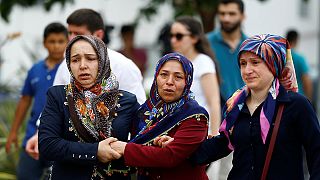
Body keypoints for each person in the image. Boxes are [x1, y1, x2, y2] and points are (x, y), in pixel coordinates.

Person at [190, 34, 320, 179]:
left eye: (255, 62)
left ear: (273, 64)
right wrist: (178, 149)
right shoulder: (236, 104)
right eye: (243, 63)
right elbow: (223, 143)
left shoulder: (296, 105)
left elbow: (316, 151)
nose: (247, 70)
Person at [25, 8, 146, 160]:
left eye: (91, 59)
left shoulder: (125, 68)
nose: (82, 66)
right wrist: (39, 134)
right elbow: (49, 127)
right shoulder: (61, 78)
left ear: (99, 35)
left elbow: (140, 118)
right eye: (69, 33)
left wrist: (127, 146)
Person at [38, 35, 140, 179]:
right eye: (75, 60)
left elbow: (144, 140)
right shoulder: (58, 96)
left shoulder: (127, 101)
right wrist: (95, 151)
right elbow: (47, 145)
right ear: (69, 64)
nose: (82, 66)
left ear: (103, 60)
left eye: (91, 58)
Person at [110, 53, 209, 180]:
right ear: (156, 77)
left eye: (178, 77)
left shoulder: (195, 116)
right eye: (164, 75)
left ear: (187, 82)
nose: (169, 82)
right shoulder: (144, 111)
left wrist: (125, 148)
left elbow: (170, 156)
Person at [5, 22, 68, 179]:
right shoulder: (35, 70)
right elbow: (25, 100)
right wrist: (13, 132)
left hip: (59, 137)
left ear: (67, 42)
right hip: (32, 135)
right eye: (52, 41)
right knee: (25, 175)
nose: (56, 46)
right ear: (44, 43)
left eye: (61, 41)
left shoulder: (70, 70)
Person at [53, 8, 146, 104]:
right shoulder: (65, 65)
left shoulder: (123, 66)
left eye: (78, 34)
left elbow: (137, 108)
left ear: (98, 35)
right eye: (70, 33)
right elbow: (54, 106)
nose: (71, 38)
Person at [170, 16, 221, 136]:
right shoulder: (173, 61)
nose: (173, 40)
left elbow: (214, 101)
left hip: (199, 131)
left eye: (179, 36)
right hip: (178, 132)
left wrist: (214, 134)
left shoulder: (203, 61)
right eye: (171, 36)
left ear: (194, 38)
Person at [207, 0, 247, 105]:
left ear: (242, 16)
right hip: (214, 109)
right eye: (222, 14)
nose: (226, 18)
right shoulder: (205, 44)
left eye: (232, 14)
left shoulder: (251, 45)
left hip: (246, 111)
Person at [286, 29, 313, 101]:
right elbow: (307, 81)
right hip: (298, 97)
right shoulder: (300, 58)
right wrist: (309, 101)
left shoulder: (280, 57)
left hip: (283, 97)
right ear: (296, 40)